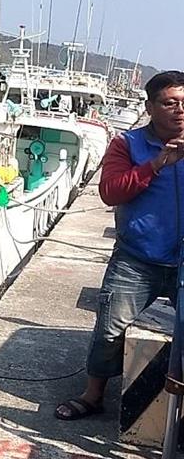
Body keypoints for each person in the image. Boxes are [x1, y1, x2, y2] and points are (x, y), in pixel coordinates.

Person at [55, 70, 184, 420]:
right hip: (137, 257)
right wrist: (156, 164)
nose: (179, 110)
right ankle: (93, 394)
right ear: (151, 107)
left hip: (182, 260)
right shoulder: (127, 144)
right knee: (110, 329)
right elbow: (110, 191)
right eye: (169, 103)